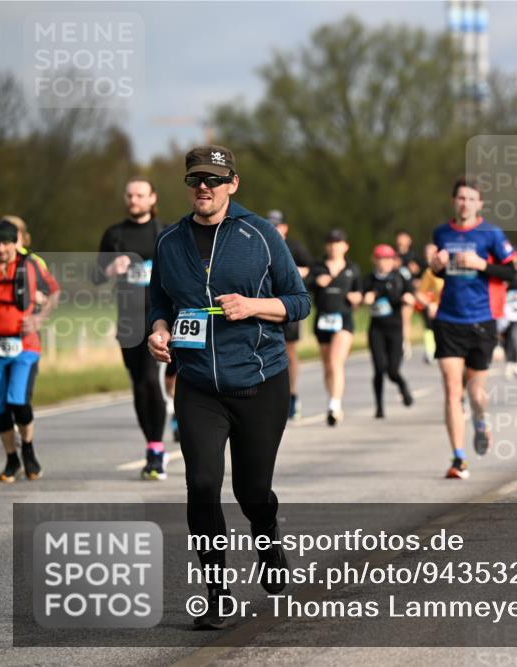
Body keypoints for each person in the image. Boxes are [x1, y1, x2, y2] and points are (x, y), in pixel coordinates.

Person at [146, 145, 310, 628]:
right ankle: (217, 591)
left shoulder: (259, 234)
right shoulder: (169, 241)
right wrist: (158, 331)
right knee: (200, 486)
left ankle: (267, 537)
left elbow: (299, 302)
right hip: (197, 385)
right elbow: (158, 299)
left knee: (252, 490)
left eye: (215, 180)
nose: (205, 187)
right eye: (197, 179)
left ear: (232, 184)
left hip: (260, 380)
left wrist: (253, 306)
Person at [430, 177, 517, 479]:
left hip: (481, 321)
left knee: (475, 391)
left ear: (479, 203)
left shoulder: (491, 234)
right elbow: (438, 273)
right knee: (452, 389)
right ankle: (458, 458)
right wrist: (435, 266)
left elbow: (515, 275)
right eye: (460, 198)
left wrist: (481, 265)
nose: (464, 203)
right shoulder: (441, 233)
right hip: (448, 320)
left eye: (470, 198)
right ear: (454, 201)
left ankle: (481, 420)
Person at [95, 178, 175, 479]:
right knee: (139, 385)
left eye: (140, 195)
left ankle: (156, 450)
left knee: (151, 381)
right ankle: (153, 445)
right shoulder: (114, 235)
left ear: (152, 198)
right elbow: (96, 276)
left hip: (160, 318)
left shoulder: (165, 233)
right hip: (128, 319)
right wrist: (108, 269)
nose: (134, 200)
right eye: (129, 195)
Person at [0, 220, 59, 483]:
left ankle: (29, 450)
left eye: (6, 243)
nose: (0, 248)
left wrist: (39, 319)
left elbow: (54, 293)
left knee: (18, 401)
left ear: (15, 243)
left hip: (25, 345)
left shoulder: (31, 264)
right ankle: (12, 459)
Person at [307, 229, 362, 426]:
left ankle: (334, 404)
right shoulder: (318, 266)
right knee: (328, 366)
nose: (334, 246)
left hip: (343, 319)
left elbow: (359, 292)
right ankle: (333, 400)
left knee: (335, 361)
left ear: (345, 246)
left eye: (338, 243)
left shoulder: (352, 269)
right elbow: (304, 287)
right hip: (322, 319)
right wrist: (315, 281)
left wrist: (357, 298)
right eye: (330, 243)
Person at [269, 210, 312, 420]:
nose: (274, 229)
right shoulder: (260, 242)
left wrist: (295, 271)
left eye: (277, 226)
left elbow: (312, 269)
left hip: (288, 305)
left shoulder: (294, 247)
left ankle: (292, 394)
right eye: (270, 225)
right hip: (266, 306)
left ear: (284, 228)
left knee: (289, 351)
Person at [362, 243, 415, 419]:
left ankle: (402, 386)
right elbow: (360, 297)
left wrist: (408, 298)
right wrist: (365, 298)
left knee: (392, 370)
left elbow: (411, 295)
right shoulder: (369, 279)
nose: (384, 263)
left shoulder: (399, 277)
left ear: (393, 261)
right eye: (381, 259)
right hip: (376, 329)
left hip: (395, 329)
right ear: (374, 260)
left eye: (388, 259)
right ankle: (379, 407)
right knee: (378, 369)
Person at [414, 243, 444, 364]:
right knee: (429, 327)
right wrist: (429, 304)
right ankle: (430, 351)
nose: (430, 256)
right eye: (427, 253)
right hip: (436, 306)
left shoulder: (454, 266)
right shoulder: (429, 271)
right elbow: (419, 292)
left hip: (455, 307)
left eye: (432, 253)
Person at [395, 230, 422, 361]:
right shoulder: (393, 256)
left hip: (408, 292)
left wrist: (416, 276)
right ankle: (396, 342)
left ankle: (404, 343)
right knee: (395, 319)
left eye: (404, 238)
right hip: (394, 292)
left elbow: (423, 274)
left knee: (405, 318)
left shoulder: (413, 257)